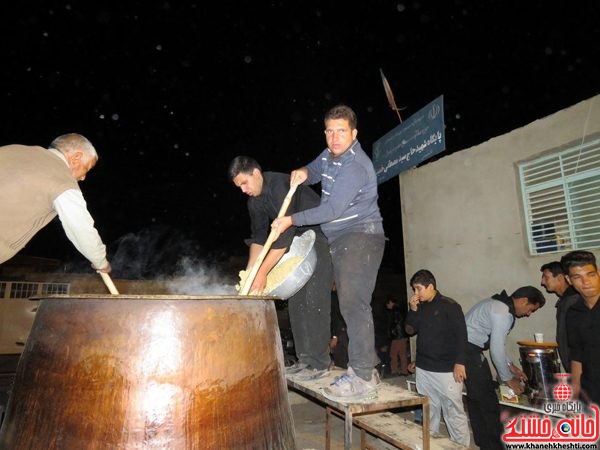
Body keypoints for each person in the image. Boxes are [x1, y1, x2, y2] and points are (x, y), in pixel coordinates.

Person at [271, 104, 385, 399]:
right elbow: (314, 171)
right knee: (346, 303)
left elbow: (331, 210)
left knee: (354, 304)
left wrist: (290, 221)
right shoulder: (330, 156)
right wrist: (302, 172)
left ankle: (364, 375)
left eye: (341, 132)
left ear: (354, 133)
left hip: (360, 236)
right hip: (342, 240)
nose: (335, 138)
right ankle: (329, 365)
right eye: (330, 131)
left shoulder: (355, 166)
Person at [228, 156, 333, 380]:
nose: (244, 190)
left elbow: (283, 240)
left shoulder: (280, 186)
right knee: (295, 298)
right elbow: (258, 239)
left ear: (256, 173)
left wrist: (263, 272)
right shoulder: (254, 201)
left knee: (315, 299)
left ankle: (320, 363)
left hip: (319, 237)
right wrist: (250, 274)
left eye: (245, 183)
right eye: (239, 187)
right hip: (295, 241)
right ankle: (305, 360)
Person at [0, 133, 111, 273]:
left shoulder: (12, 150)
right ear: (76, 158)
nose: (83, 177)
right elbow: (80, 226)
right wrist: (100, 262)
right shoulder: (61, 179)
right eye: (86, 169)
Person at [464, 286, 546, 450]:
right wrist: (508, 379)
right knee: (487, 401)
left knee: (476, 398)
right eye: (531, 309)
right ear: (523, 301)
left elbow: (497, 344)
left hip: (465, 349)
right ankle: (494, 446)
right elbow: (496, 349)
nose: (528, 314)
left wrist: (511, 366)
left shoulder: (498, 304)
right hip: (468, 350)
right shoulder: (503, 312)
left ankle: (483, 441)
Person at [404, 270, 470, 447]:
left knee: (453, 412)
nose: (415, 294)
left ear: (430, 286)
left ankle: (460, 446)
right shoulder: (421, 306)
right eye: (414, 290)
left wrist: (460, 362)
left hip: (447, 370)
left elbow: (462, 336)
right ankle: (429, 443)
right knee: (429, 409)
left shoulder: (450, 305)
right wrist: (413, 310)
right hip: (424, 368)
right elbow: (410, 330)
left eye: (418, 289)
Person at [561, 250, 600, 405]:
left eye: (590, 274)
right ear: (568, 280)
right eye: (578, 277)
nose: (586, 282)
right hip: (590, 392)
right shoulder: (573, 313)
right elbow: (577, 357)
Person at [540, 260, 579, 371]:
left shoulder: (573, 301)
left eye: (546, 277)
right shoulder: (566, 301)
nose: (542, 282)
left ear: (560, 278)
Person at [385, 296, 409, 377]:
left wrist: (393, 333)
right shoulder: (400, 310)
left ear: (391, 302)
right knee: (402, 354)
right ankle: (404, 371)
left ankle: (394, 371)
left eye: (387, 304)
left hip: (398, 336)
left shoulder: (395, 311)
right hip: (403, 335)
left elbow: (395, 324)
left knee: (393, 354)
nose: (387, 306)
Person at [329, 282, 349, 369]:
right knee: (341, 359)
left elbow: (336, 317)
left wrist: (335, 336)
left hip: (340, 333)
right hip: (341, 331)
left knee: (340, 360)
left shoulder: (334, 297)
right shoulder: (339, 297)